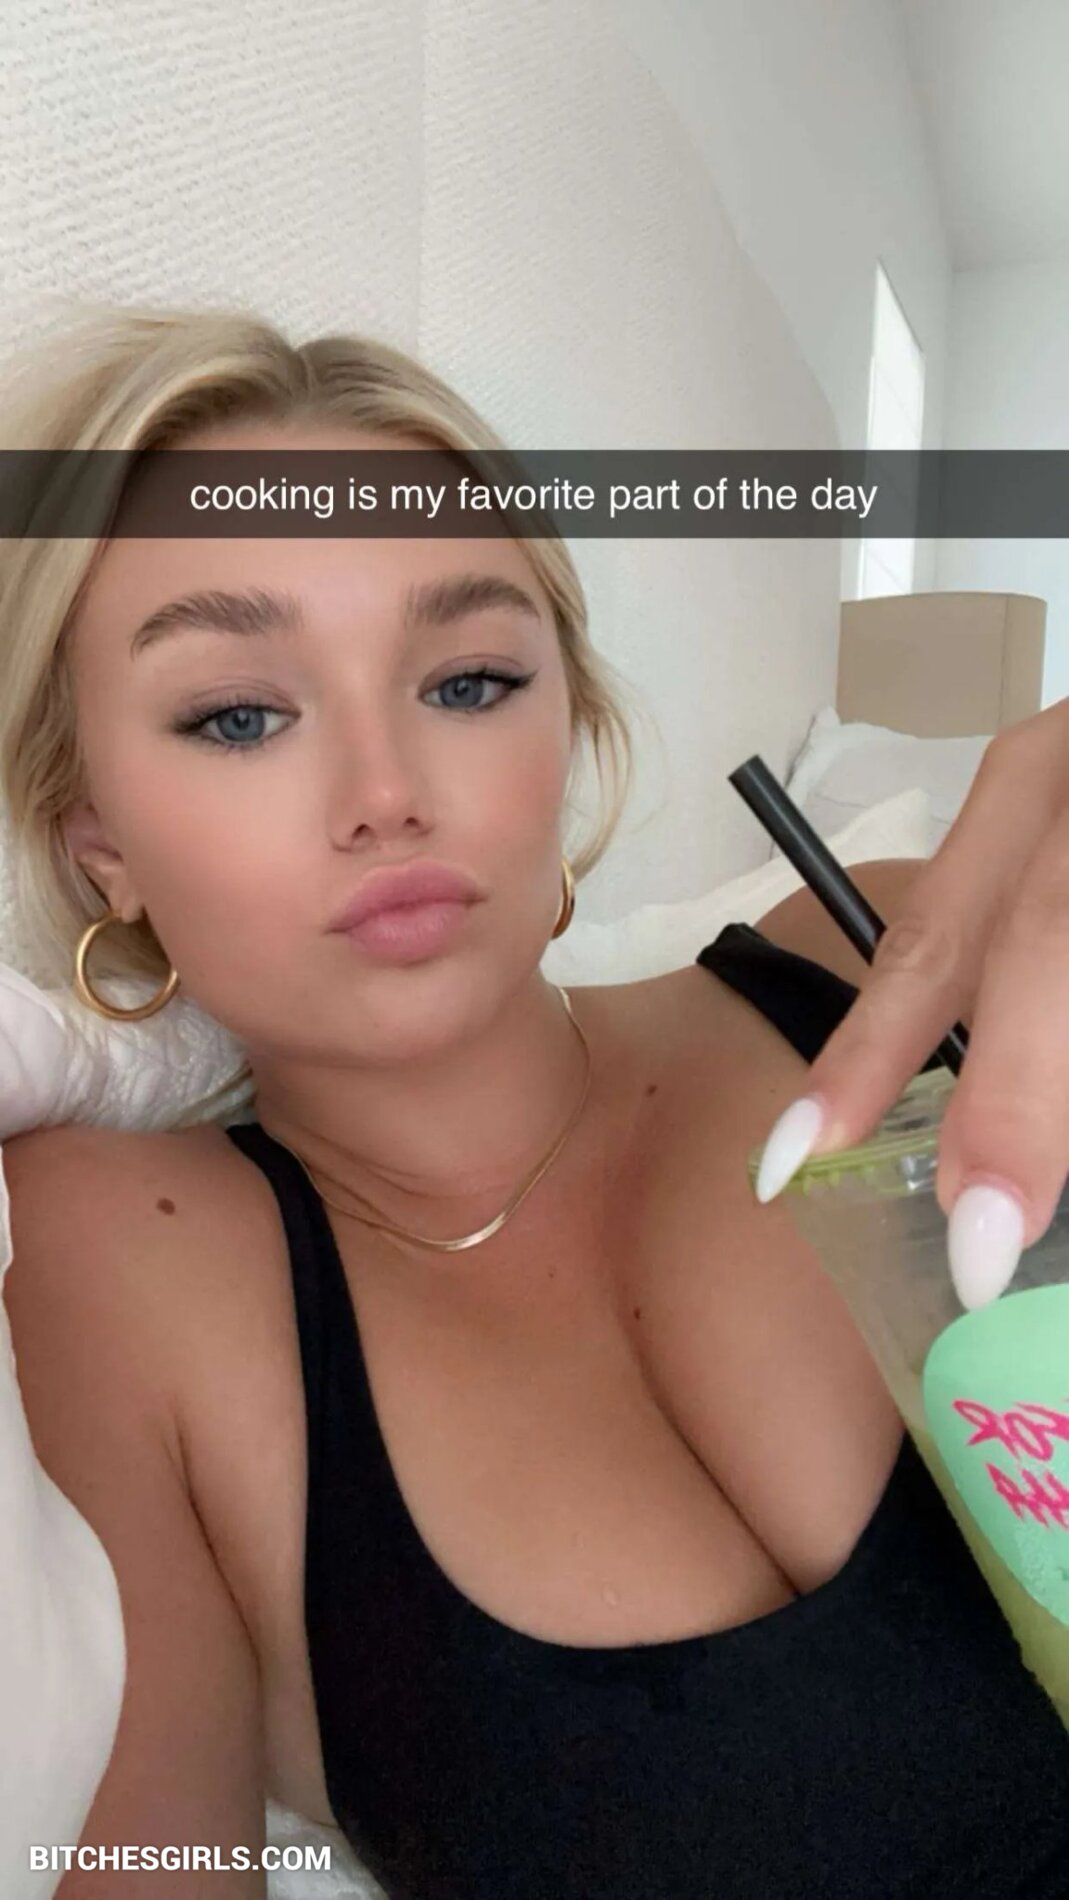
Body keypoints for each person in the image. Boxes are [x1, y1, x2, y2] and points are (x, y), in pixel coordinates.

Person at [1, 302, 1067, 1900]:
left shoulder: (884, 968)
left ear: (567, 727)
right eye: (238, 715)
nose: (386, 794)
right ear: (103, 850)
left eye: (469, 679)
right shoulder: (120, 1249)